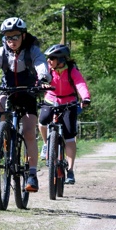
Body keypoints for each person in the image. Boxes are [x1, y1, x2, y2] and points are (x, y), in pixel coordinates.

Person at [0, 17, 51, 192]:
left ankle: (32, 174)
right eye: (7, 37)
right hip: (9, 91)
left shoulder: (31, 51)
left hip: (28, 93)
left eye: (15, 36)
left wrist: (43, 78)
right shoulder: (2, 52)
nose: (11, 40)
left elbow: (41, 64)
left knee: (28, 131)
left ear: (23, 35)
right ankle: (1, 141)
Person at [38, 44, 90, 185]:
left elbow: (80, 84)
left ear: (61, 59)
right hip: (51, 99)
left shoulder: (71, 70)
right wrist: (38, 85)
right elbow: (39, 79)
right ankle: (46, 144)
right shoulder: (48, 70)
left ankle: (71, 171)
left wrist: (85, 98)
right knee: (42, 121)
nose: (49, 61)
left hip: (69, 102)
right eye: (48, 58)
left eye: (52, 58)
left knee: (69, 136)